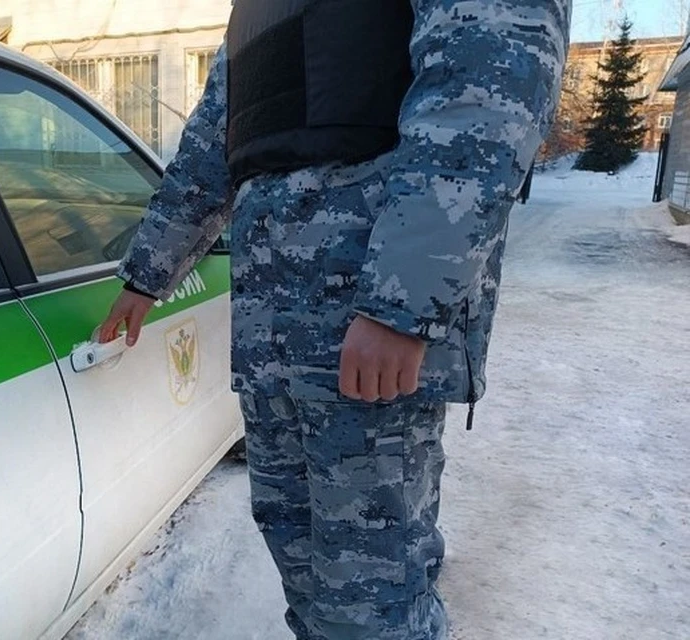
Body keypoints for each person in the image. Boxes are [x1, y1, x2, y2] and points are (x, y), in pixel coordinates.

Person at [101, 1, 571, 638]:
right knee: (302, 569)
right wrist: (147, 274)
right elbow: (215, 141)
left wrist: (402, 306)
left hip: (366, 327)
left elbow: (484, 91)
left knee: (370, 600)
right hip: (271, 335)